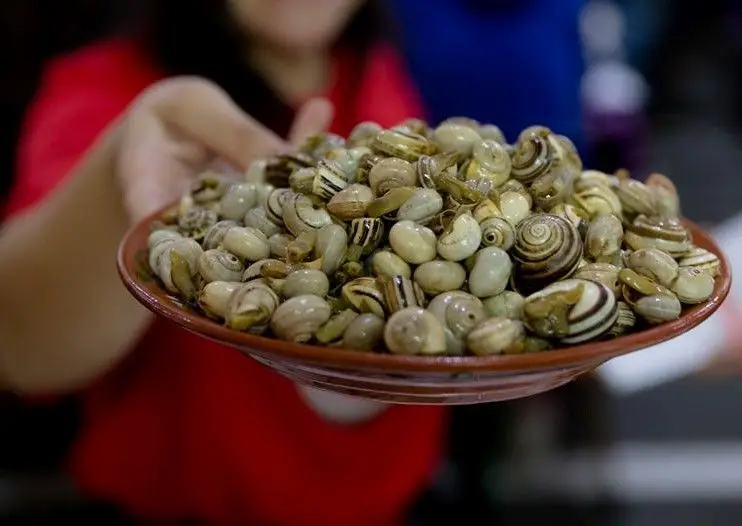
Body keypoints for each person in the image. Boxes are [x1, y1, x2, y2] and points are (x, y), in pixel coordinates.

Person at [0, 2, 446, 524]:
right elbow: (18, 347)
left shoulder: (378, 71)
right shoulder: (107, 85)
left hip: (383, 507)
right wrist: (121, 184)